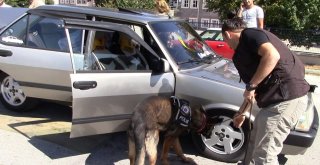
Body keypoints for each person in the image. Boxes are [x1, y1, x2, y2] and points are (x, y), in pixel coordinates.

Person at [221, 17, 310, 165]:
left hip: (285, 99)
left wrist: (252, 86)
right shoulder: (242, 54)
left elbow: (272, 55)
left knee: (265, 155)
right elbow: (253, 90)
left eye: (225, 40)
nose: (227, 45)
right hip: (274, 101)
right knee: (254, 141)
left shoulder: (250, 34)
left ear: (228, 34)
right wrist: (242, 113)